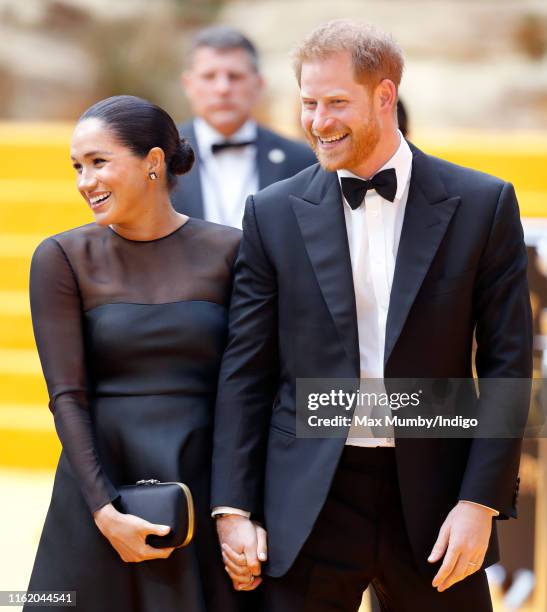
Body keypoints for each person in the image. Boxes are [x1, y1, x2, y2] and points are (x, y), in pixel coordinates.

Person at [211, 20, 533, 612]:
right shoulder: (272, 212)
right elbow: (245, 369)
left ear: (385, 97)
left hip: (438, 500)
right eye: (308, 103)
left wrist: (479, 502)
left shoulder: (484, 204)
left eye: (337, 102)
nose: (318, 121)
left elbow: (508, 364)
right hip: (308, 498)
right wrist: (233, 509)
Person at [25, 95, 250, 612]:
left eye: (99, 162)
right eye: (78, 167)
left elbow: (251, 388)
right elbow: (66, 396)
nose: (85, 181)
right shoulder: (61, 257)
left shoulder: (232, 250)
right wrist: (104, 511)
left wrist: (237, 508)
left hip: (202, 487)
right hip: (99, 489)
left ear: (153, 162)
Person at [170, 25, 316, 228]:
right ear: (188, 85)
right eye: (209, 76)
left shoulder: (304, 160)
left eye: (235, 76)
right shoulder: (160, 156)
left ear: (258, 84)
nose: (223, 89)